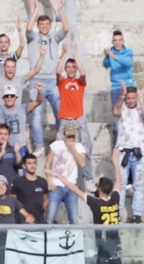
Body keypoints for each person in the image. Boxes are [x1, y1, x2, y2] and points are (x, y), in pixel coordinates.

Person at [48, 166, 131, 264]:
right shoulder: (115, 198)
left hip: (103, 249)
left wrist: (58, 175)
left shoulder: (96, 203)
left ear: (99, 189)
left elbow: (74, 189)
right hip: (116, 248)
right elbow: (120, 181)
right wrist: (115, 161)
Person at [25, 0, 69, 152]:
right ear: (39, 26)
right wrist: (36, 11)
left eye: (46, 24)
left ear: (50, 26)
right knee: (37, 116)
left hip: (52, 81)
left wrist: (60, 11)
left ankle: (60, 142)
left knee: (60, 114)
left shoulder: (54, 38)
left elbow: (66, 28)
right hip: (36, 81)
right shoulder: (33, 37)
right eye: (41, 24)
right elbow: (28, 28)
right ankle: (39, 146)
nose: (44, 27)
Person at [55, 43, 93, 184]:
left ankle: (88, 178)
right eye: (69, 67)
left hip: (79, 119)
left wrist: (76, 56)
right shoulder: (63, 82)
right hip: (67, 120)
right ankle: (60, 177)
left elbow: (83, 74)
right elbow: (57, 71)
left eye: (73, 67)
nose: (71, 69)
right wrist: (64, 55)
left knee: (86, 147)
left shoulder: (80, 82)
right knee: (60, 147)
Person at [113, 85, 144, 223]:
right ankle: (118, 213)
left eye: (132, 98)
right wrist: (122, 97)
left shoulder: (141, 107)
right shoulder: (122, 107)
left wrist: (141, 99)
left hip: (139, 151)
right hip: (123, 151)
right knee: (120, 184)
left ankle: (137, 214)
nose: (130, 100)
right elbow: (115, 111)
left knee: (138, 185)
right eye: (128, 98)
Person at [44, 122, 86, 224]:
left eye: (72, 136)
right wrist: (49, 180)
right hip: (56, 184)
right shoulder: (56, 145)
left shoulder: (79, 146)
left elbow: (82, 163)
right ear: (64, 135)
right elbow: (47, 164)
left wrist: (73, 148)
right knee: (50, 217)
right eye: (68, 136)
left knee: (74, 219)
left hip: (71, 185)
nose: (71, 139)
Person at [0, 83, 43, 154]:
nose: (9, 98)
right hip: (0, 146)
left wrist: (40, 91)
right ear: (3, 98)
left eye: (12, 96)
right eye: (7, 96)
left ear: (16, 97)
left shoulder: (23, 108)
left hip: (19, 146)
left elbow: (38, 101)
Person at [10, 153, 49, 228]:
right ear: (24, 166)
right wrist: (24, 215)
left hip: (39, 219)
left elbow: (46, 200)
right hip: (23, 219)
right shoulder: (18, 182)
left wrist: (42, 214)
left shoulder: (43, 181)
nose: (32, 166)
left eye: (34, 163)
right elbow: (12, 201)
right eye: (29, 163)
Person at [102, 30, 135, 112]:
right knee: (116, 113)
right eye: (115, 40)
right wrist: (106, 56)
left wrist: (114, 56)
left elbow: (128, 62)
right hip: (116, 87)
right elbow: (106, 65)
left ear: (123, 41)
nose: (118, 43)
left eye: (120, 40)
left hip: (128, 86)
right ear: (112, 42)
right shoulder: (110, 52)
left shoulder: (128, 52)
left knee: (130, 112)